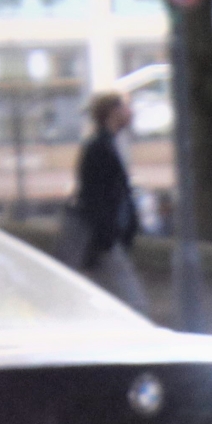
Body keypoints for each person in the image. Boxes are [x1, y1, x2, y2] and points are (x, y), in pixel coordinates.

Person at [61, 90, 147, 313]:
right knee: (135, 304)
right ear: (112, 112)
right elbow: (96, 197)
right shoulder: (99, 148)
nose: (130, 113)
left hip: (105, 238)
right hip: (105, 239)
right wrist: (108, 236)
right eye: (125, 108)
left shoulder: (106, 145)